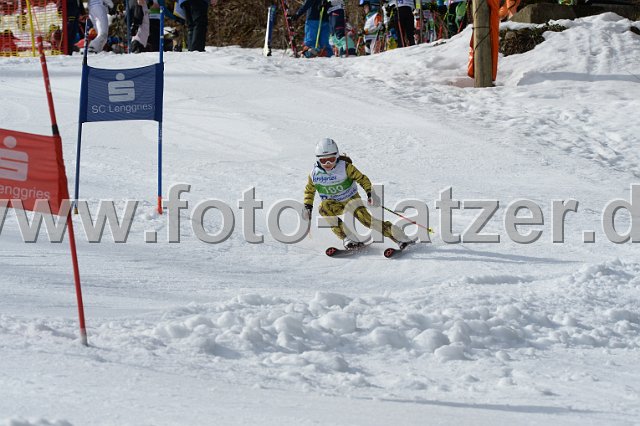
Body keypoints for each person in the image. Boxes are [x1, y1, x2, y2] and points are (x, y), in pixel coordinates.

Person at [303, 138, 414, 249]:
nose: (328, 164)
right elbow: (309, 190)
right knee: (323, 208)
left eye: (331, 159)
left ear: (337, 156)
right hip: (335, 204)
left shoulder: (345, 167)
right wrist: (308, 206)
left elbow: (362, 179)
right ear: (318, 160)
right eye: (323, 161)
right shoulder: (315, 174)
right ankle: (348, 238)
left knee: (368, 222)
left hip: (351, 200)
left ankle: (400, 237)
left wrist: (370, 193)